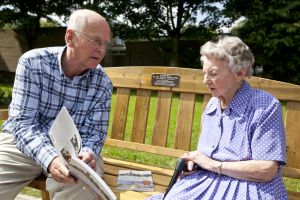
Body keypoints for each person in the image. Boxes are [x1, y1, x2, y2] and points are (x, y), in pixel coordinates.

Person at [147, 36, 287, 200]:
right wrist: (195, 161)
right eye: (204, 73)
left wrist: (213, 165)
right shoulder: (213, 105)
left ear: (239, 73)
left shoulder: (265, 106)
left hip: (249, 185)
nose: (205, 80)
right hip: (208, 179)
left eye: (213, 73)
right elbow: (206, 154)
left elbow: (266, 170)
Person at [0, 9, 113, 200]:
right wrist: (50, 158)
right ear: (70, 37)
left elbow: (95, 133)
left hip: (73, 156)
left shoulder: (102, 82)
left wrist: (88, 153)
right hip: (23, 145)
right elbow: (22, 125)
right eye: (95, 40)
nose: (101, 49)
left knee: (84, 186)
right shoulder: (33, 63)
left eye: (105, 43)